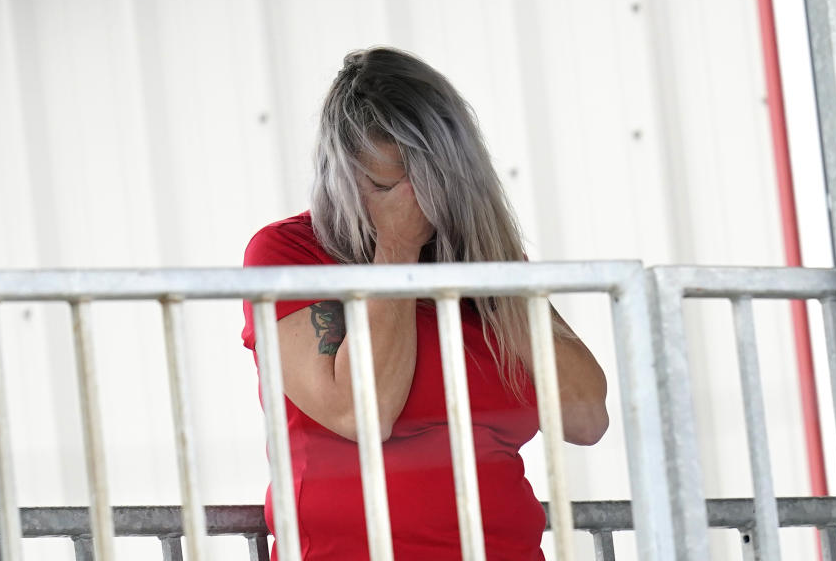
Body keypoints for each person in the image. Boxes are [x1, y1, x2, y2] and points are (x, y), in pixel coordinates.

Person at [240, 46, 608, 561]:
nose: (413, 207)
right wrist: (397, 251)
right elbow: (360, 413)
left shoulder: (485, 266)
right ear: (340, 175)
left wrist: (491, 254)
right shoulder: (291, 252)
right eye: (387, 187)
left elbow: (587, 419)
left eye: (433, 187)